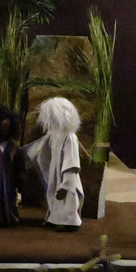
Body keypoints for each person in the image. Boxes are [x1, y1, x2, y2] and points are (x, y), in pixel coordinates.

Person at [24, 97, 84, 231]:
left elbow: (72, 160)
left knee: (68, 198)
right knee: (53, 196)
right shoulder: (53, 135)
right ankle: (54, 219)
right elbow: (39, 148)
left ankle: (71, 222)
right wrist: (24, 153)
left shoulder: (70, 137)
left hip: (66, 175)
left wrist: (66, 183)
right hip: (55, 173)